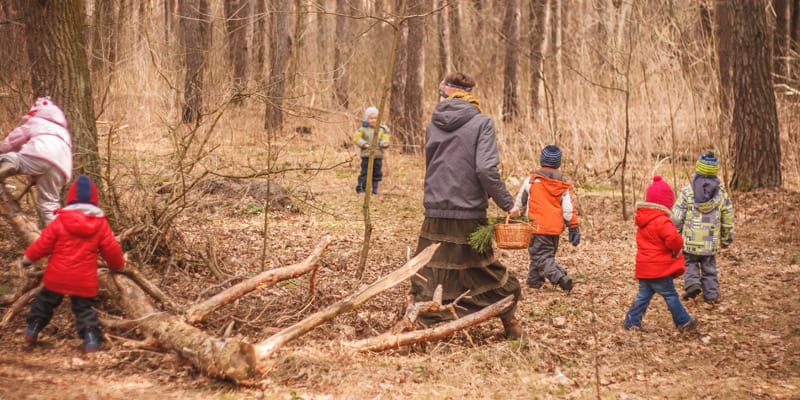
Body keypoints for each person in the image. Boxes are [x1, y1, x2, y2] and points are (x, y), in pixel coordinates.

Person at [409, 72, 524, 339]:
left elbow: (431, 165)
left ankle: (426, 324)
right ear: (470, 94)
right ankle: (510, 323)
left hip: (435, 209)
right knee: (484, 270)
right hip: (468, 212)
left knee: (432, 272)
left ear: (445, 92)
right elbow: (486, 169)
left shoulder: (433, 123)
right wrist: (508, 204)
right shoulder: (481, 122)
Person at [21, 175, 125, 353]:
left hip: (57, 276)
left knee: (44, 303)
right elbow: (111, 249)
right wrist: (118, 266)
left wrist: (28, 258)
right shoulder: (100, 224)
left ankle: (32, 330)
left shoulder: (60, 220)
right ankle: (91, 340)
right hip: (84, 279)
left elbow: (43, 243)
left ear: (70, 198)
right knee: (85, 309)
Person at [623, 176, 697, 331]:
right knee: (671, 295)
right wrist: (678, 246)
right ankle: (683, 321)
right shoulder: (662, 221)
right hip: (659, 269)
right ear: (665, 203)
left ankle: (631, 322)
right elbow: (673, 239)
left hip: (645, 268)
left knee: (643, 296)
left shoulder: (644, 220)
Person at [513, 145, 579, 292]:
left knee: (541, 257)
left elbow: (519, 202)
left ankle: (560, 278)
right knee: (543, 256)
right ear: (558, 163)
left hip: (537, 227)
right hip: (555, 230)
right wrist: (573, 226)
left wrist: (514, 214)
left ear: (541, 160)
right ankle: (534, 281)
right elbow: (568, 211)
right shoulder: (563, 185)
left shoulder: (531, 181)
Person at [672, 150, 734, 304]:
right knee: (709, 268)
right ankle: (711, 295)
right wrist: (726, 238)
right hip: (710, 242)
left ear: (698, 168)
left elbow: (677, 217)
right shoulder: (721, 195)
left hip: (690, 241)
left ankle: (692, 285)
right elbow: (728, 219)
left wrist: (675, 234)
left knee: (690, 263)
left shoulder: (687, 192)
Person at [0, 97, 73, 226]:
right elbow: (48, 161)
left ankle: (11, 164)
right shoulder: (63, 131)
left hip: (40, 153)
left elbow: (13, 141)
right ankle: (60, 238)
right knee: (50, 204)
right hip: (61, 167)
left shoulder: (35, 122)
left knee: (14, 158)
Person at [352, 106, 390, 194]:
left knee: (377, 173)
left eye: (376, 118)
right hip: (366, 155)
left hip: (378, 155)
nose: (373, 120)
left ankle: (375, 188)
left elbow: (385, 138)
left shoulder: (382, 129)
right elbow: (356, 138)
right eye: (371, 118)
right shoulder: (363, 129)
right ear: (366, 119)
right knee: (365, 173)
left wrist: (384, 143)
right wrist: (363, 144)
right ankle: (361, 188)